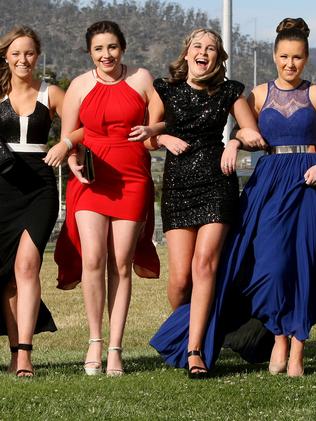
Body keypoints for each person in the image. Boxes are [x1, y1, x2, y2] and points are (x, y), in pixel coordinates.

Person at [151, 17, 316, 378]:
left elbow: (247, 127)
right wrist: (235, 141)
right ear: (274, 56)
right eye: (285, 56)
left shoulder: (304, 92)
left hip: (298, 183)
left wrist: (237, 142)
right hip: (256, 183)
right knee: (253, 269)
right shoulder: (255, 93)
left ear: (305, 59)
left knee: (301, 264)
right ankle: (256, 337)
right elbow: (156, 130)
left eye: (298, 57)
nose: (291, 63)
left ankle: (293, 345)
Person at [146, 27, 265, 378]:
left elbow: (253, 133)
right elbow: (146, 137)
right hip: (178, 186)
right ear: (187, 54)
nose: (203, 52)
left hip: (216, 184)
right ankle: (184, 333)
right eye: (197, 46)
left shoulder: (229, 91)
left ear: (218, 58)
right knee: (181, 278)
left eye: (211, 48)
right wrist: (164, 136)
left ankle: (196, 349)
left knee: (204, 266)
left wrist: (234, 143)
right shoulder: (163, 89)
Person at [44, 20, 160, 376]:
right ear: (90, 52)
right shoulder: (79, 85)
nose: (105, 54)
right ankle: (94, 341)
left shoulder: (142, 78)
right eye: (98, 49)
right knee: (93, 259)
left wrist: (153, 129)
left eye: (111, 47)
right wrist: (74, 161)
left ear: (122, 47)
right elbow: (70, 138)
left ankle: (115, 349)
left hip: (132, 177)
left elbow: (161, 122)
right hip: (92, 181)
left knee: (120, 263)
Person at [0, 26, 64, 376]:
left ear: (37, 56)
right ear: (6, 57)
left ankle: (25, 354)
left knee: (27, 265)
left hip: (40, 186)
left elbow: (84, 124)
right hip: (2, 187)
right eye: (16, 53)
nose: (23, 59)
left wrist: (65, 143)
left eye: (29, 53)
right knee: (8, 277)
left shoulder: (51, 93)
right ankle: (14, 352)